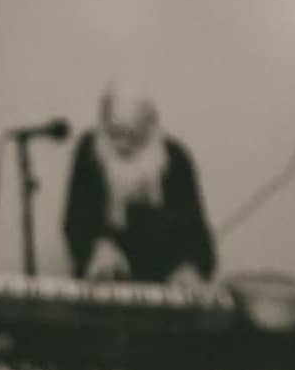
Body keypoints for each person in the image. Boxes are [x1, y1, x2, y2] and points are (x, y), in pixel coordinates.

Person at [63, 88, 217, 288]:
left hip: (164, 287)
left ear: (151, 127)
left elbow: (198, 236)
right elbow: (74, 222)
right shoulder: (89, 151)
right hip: (103, 285)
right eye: (114, 134)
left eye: (133, 136)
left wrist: (191, 267)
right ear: (103, 125)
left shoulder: (176, 158)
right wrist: (95, 248)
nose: (123, 145)